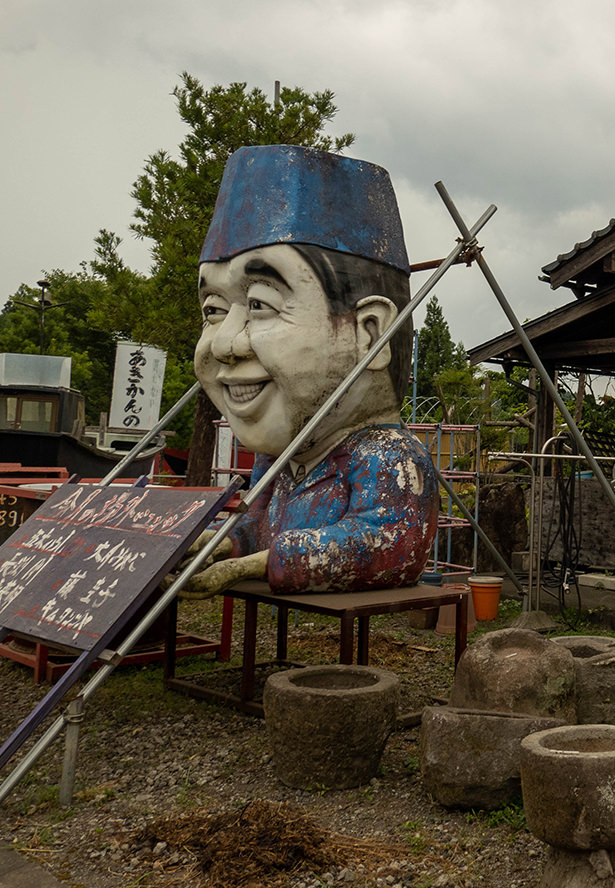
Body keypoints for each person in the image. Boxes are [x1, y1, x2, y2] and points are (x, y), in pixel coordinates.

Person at [179, 145, 437, 596]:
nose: (223, 343)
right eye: (215, 310)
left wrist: (262, 564)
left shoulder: (387, 456)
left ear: (370, 332)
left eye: (260, 305)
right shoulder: (278, 456)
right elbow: (256, 523)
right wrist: (221, 546)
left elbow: (389, 544)